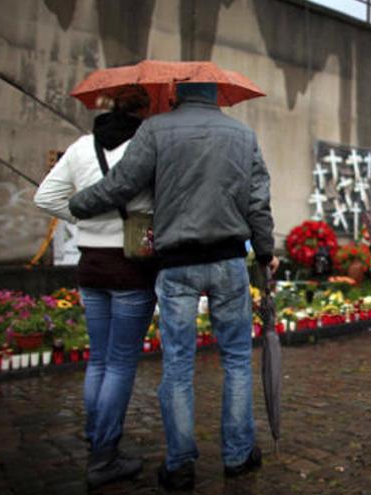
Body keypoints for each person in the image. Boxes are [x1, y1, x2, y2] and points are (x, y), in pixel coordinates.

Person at [69, 82, 277, 490]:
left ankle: (180, 463)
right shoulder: (242, 135)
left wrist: (79, 204)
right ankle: (238, 455)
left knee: (178, 364)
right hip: (229, 260)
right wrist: (266, 252)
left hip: (177, 263)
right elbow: (258, 202)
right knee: (236, 360)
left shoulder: (156, 129)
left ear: (177, 96)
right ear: (217, 96)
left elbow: (122, 184)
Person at [33, 86, 157, 489]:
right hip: (130, 264)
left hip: (90, 263)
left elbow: (46, 197)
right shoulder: (146, 145)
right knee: (120, 362)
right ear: (144, 109)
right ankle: (104, 456)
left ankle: (95, 434)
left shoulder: (82, 146)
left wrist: (84, 218)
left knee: (99, 360)